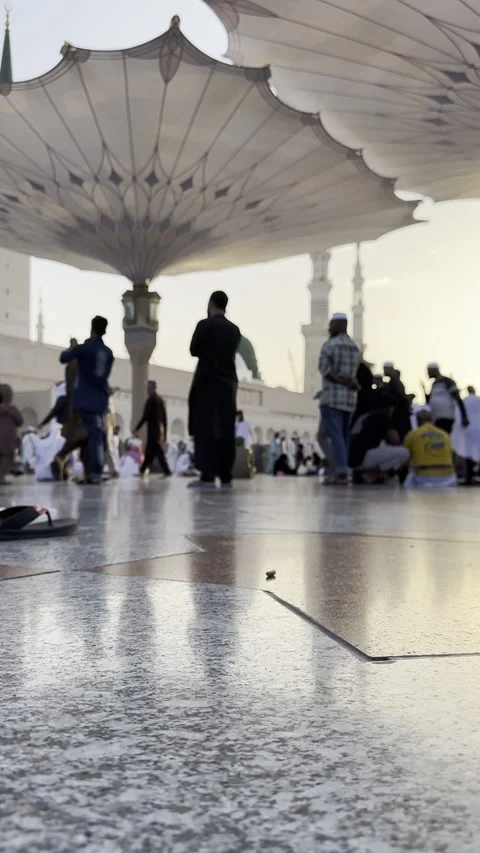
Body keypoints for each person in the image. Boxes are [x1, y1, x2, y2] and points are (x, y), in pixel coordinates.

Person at [188, 291, 241, 489]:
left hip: (207, 382)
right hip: (228, 384)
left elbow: (194, 350)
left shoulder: (205, 325)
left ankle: (207, 476)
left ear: (211, 304)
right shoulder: (234, 330)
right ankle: (226, 475)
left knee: (205, 428)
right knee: (226, 428)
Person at [59, 316, 114, 485]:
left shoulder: (85, 348)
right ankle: (91, 471)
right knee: (94, 434)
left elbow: (64, 357)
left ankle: (94, 472)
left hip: (85, 398)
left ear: (92, 328)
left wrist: (74, 347)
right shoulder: (108, 353)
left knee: (92, 434)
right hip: (101, 398)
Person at [318, 312, 361, 484]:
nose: (329, 328)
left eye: (331, 325)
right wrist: (350, 384)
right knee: (343, 437)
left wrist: (343, 382)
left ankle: (341, 471)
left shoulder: (330, 345)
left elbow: (325, 370)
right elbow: (354, 374)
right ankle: (341, 468)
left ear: (337, 325)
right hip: (349, 400)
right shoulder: (354, 347)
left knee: (334, 436)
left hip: (332, 398)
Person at [349, 393, 410, 483]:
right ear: (389, 408)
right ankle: (371, 475)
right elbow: (395, 441)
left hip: (350, 458)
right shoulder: (384, 418)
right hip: (363, 458)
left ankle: (363, 474)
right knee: (405, 452)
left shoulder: (364, 417)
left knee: (383, 447)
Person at [404, 410, 456, 488]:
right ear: (432, 420)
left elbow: (405, 459)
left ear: (417, 421)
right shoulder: (445, 434)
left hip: (424, 477)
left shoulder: (412, 435)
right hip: (448, 477)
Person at [135, 380, 171, 478]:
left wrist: (136, 428)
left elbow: (145, 416)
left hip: (152, 431)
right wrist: (165, 433)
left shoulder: (151, 400)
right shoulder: (161, 400)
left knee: (154, 451)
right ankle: (144, 470)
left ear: (150, 388)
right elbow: (165, 419)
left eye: (148, 387)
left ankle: (165, 471)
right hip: (159, 431)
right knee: (152, 452)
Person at [424, 363, 468, 434]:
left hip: (446, 417)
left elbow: (458, 398)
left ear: (435, 370)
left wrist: (464, 416)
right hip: (436, 418)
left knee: (442, 437)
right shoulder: (434, 384)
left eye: (428, 371)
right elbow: (429, 401)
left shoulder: (447, 381)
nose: (427, 373)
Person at [451, 388, 480, 484]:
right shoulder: (478, 400)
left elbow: (458, 414)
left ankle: (469, 477)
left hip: (467, 431)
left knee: (469, 453)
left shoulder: (464, 402)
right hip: (478, 430)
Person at [0, 385, 23, 484]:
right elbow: (20, 421)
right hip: (8, 440)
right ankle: (1, 477)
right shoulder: (12, 409)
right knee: (7, 458)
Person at [383, 362, 411, 440]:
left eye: (385, 369)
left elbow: (401, 395)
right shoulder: (394, 380)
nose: (384, 371)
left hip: (398, 413)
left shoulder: (394, 380)